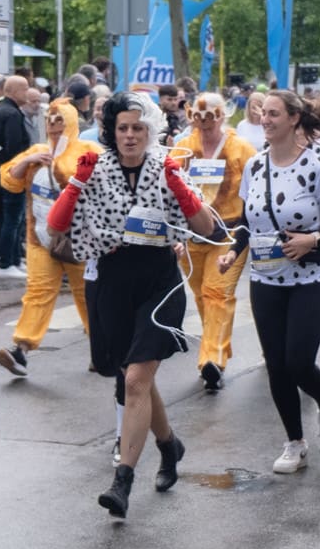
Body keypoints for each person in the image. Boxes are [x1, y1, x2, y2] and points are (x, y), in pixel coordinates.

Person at [48, 92, 220, 517]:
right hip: (112, 282)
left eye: (137, 128)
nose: (129, 135)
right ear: (111, 131)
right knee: (134, 378)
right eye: (122, 128)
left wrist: (180, 189)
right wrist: (76, 182)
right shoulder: (97, 168)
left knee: (137, 379)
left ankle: (122, 481)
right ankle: (169, 445)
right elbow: (56, 226)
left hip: (159, 281)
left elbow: (208, 228)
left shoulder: (166, 166)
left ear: (150, 131)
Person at [220, 89, 320, 475]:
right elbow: (247, 222)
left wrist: (314, 239)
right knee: (276, 365)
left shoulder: (317, 168)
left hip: (308, 278)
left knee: (298, 361)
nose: (265, 119)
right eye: (263, 113)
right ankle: (295, 442)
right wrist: (233, 252)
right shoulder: (254, 167)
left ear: (294, 119)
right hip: (265, 278)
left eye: (274, 113)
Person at [0, 99, 98, 376]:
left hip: (79, 241)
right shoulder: (37, 151)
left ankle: (101, 348)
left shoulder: (88, 151)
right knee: (38, 291)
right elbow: (9, 181)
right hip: (39, 238)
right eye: (49, 120)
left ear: (71, 122)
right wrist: (28, 161)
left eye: (59, 120)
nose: (53, 126)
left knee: (88, 295)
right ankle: (21, 349)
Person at [164, 91, 256, 392]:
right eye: (198, 118)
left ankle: (211, 360)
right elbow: (166, 189)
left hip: (229, 234)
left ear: (221, 117)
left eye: (210, 118)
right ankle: (216, 347)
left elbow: (256, 192)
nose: (204, 124)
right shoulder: (183, 148)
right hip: (191, 234)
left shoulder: (242, 149)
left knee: (216, 293)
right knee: (202, 295)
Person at [0, 75, 34, 280]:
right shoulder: (12, 114)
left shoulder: (0, 110)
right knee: (12, 219)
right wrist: (23, 166)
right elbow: (14, 148)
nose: (28, 92)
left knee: (2, 217)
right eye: (24, 88)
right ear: (12, 91)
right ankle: (7, 262)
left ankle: (10, 259)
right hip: (11, 174)